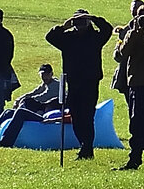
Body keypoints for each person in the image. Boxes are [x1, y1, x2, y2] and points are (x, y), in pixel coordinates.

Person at [45, 9, 113, 160]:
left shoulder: (95, 37)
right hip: (73, 82)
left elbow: (108, 29)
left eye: (82, 20)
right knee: (75, 116)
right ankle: (84, 145)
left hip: (90, 82)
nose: (79, 23)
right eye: (77, 20)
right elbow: (50, 37)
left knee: (87, 116)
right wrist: (64, 26)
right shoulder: (68, 38)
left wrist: (93, 18)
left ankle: (87, 148)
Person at [112, 10, 144, 170]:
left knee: (142, 122)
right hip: (134, 83)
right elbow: (123, 53)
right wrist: (134, 34)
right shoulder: (131, 34)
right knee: (138, 122)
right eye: (142, 18)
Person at [0, 64, 60, 147]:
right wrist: (20, 99)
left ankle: (5, 142)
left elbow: (41, 97)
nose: (44, 77)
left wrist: (23, 101)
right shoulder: (45, 84)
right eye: (42, 75)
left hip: (48, 118)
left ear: (51, 74)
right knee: (8, 112)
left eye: (46, 75)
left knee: (21, 112)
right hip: (41, 113)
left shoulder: (56, 85)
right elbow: (33, 93)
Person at [110, 0, 144, 130]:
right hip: (126, 76)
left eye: (138, 8)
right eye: (133, 9)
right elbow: (117, 56)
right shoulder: (125, 31)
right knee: (132, 109)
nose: (136, 11)